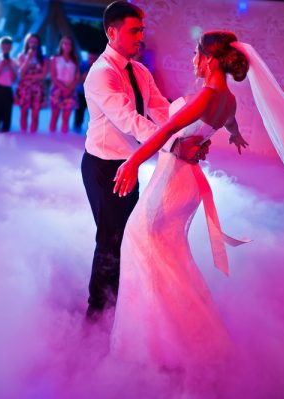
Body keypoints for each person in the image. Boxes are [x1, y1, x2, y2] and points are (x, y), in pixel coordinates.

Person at [112, 31, 284, 368]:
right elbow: (223, 119)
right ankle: (178, 334)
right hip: (187, 182)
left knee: (140, 241)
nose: (193, 60)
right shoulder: (227, 99)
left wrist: (132, 162)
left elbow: (164, 132)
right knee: (167, 256)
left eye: (196, 53)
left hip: (174, 180)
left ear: (208, 58)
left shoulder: (207, 95)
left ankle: (154, 344)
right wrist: (231, 132)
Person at [81, 1, 211, 321]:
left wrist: (192, 133)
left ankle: (123, 302)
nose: (141, 37)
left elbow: (162, 111)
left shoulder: (139, 70)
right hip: (104, 167)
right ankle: (97, 311)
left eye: (142, 30)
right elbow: (130, 121)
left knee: (130, 236)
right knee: (111, 239)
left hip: (130, 165)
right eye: (134, 30)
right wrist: (174, 145)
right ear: (112, 32)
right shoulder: (101, 74)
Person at [15, 33, 47, 133]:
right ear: (27, 43)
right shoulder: (22, 56)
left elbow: (43, 75)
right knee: (23, 112)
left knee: (35, 114)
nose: (33, 44)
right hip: (24, 88)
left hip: (38, 88)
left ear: (38, 44)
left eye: (35, 42)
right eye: (31, 41)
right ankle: (23, 134)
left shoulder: (43, 58)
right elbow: (21, 73)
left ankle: (32, 136)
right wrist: (28, 58)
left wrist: (28, 77)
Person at [49, 36, 80, 133]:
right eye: (65, 43)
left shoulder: (75, 59)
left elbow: (77, 77)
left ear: (72, 46)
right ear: (61, 45)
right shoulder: (55, 58)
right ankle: (51, 141)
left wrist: (69, 88)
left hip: (70, 89)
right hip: (57, 88)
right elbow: (53, 76)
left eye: (69, 44)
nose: (67, 46)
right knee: (55, 116)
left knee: (66, 118)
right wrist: (62, 88)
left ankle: (63, 140)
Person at [0, 36, 18, 132]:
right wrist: (2, 64)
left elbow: (14, 79)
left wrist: (9, 65)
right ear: (0, 46)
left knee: (7, 115)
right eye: (4, 46)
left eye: (8, 46)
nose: (6, 48)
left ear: (11, 48)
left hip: (8, 89)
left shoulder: (14, 62)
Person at [73, 52, 98, 133]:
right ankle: (77, 126)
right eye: (91, 58)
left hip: (94, 94)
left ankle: (94, 130)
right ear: (88, 57)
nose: (92, 60)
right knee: (79, 110)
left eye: (94, 58)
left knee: (94, 113)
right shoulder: (82, 65)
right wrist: (83, 77)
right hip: (82, 92)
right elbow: (77, 79)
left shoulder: (100, 65)